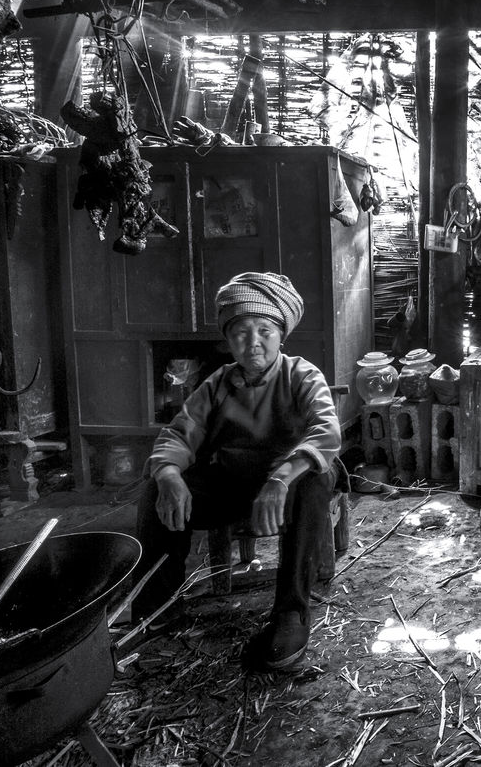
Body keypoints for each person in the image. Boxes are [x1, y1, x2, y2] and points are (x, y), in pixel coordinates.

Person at [134, 272, 341, 670]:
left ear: (281, 336)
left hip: (287, 489)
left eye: (265, 330)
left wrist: (279, 479)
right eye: (241, 333)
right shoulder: (217, 385)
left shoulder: (301, 375)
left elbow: (326, 431)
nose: (254, 342)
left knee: (315, 480)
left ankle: (291, 613)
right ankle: (158, 608)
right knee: (158, 486)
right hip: (232, 486)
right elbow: (179, 433)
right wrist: (169, 475)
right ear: (229, 341)